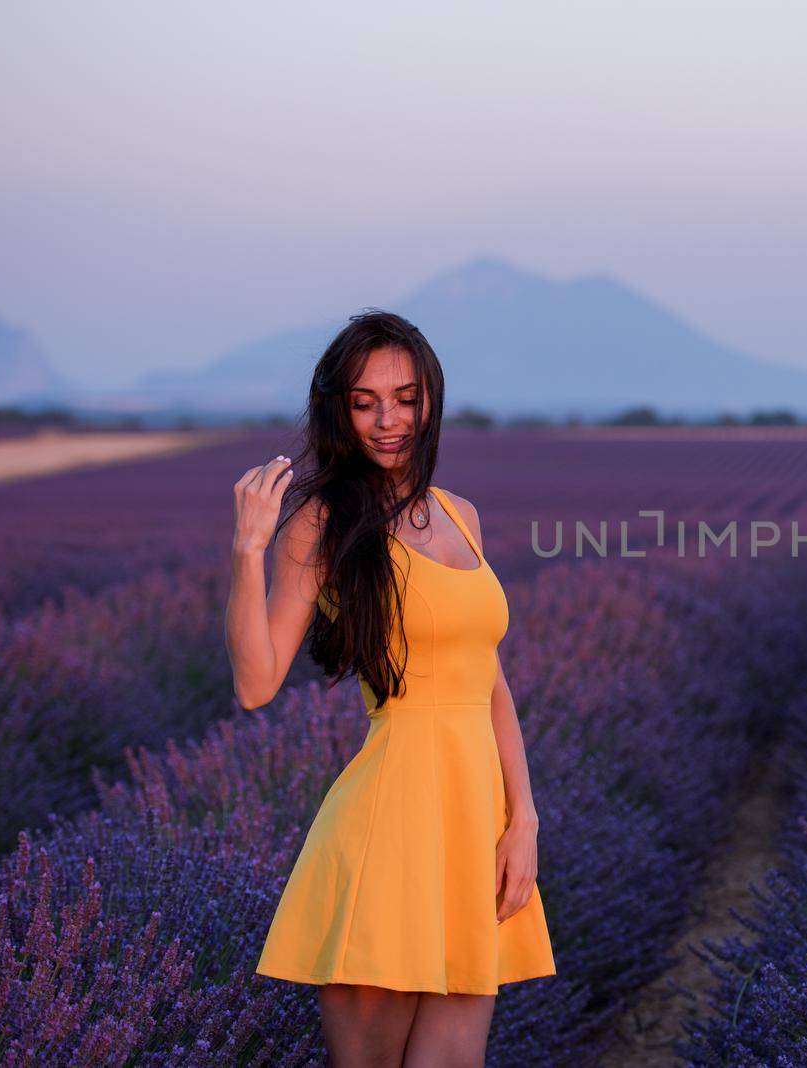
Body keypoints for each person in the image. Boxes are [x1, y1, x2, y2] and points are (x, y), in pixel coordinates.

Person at [226, 309, 556, 1066]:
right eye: (365, 400)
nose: (388, 420)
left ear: (431, 400)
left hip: (475, 829)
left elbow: (490, 680)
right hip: (389, 828)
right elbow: (255, 683)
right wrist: (248, 548)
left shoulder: (459, 514)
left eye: (405, 397)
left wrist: (524, 820)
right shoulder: (320, 523)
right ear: (339, 410)